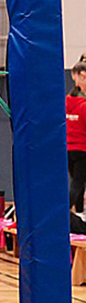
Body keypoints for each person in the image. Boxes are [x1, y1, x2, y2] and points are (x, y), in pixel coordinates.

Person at [67, 60, 86, 220]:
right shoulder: (83, 105)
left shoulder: (67, 101)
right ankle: (64, 211)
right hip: (82, 149)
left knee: (77, 182)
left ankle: (79, 212)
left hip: (68, 149)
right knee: (78, 184)